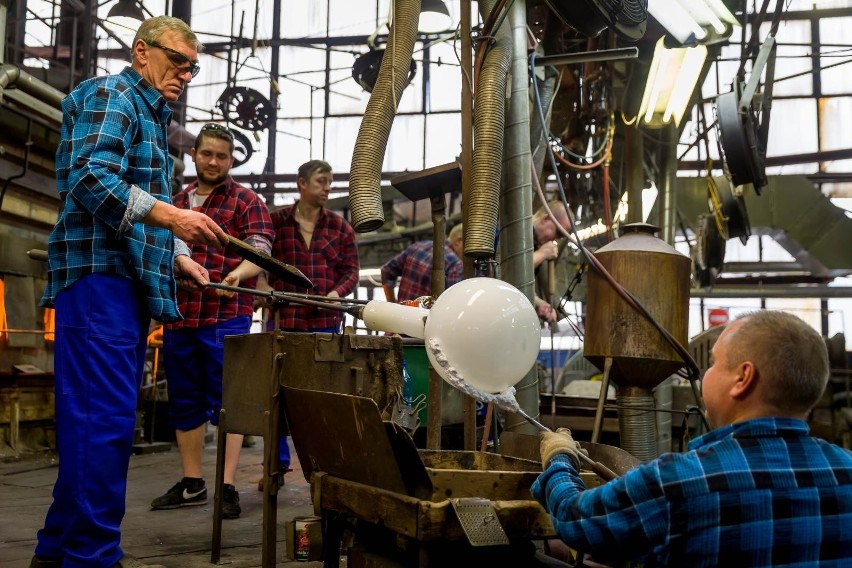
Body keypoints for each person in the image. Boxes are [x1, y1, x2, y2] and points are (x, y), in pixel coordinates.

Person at [32, 16, 229, 568]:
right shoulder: (112, 94)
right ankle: (92, 558)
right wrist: (174, 217)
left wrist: (179, 255)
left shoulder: (149, 118)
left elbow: (135, 208)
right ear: (142, 52)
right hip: (99, 281)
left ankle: (55, 552)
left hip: (121, 284)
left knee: (101, 424)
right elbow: (89, 178)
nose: (186, 73)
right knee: (103, 427)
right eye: (177, 60)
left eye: (194, 66)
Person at [533, 310, 852, 567]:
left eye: (713, 363)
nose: (705, 374)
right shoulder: (847, 470)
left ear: (743, 378)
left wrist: (559, 459)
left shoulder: (680, 482)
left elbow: (575, 519)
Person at [149, 124, 274, 519]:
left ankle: (226, 485)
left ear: (231, 159)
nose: (214, 162)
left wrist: (238, 275)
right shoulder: (175, 202)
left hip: (225, 316)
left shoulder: (245, 201)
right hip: (181, 315)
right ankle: (192, 484)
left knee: (227, 402)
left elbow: (260, 249)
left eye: (222, 156)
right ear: (194, 155)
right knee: (184, 400)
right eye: (208, 154)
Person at [258, 159, 359, 478]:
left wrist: (337, 294)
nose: (328, 187)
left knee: (323, 396)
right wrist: (263, 287)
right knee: (277, 394)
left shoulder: (340, 227)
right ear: (302, 184)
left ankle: (324, 464)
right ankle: (275, 463)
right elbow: (259, 261)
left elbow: (352, 271)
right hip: (284, 321)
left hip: (324, 325)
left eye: (330, 182)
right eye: (321, 181)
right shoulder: (275, 223)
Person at [380, 223, 464, 303]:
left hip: (400, 315)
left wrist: (392, 303)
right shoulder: (456, 265)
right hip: (425, 317)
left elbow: (386, 270)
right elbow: (451, 303)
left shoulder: (419, 246)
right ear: (459, 241)